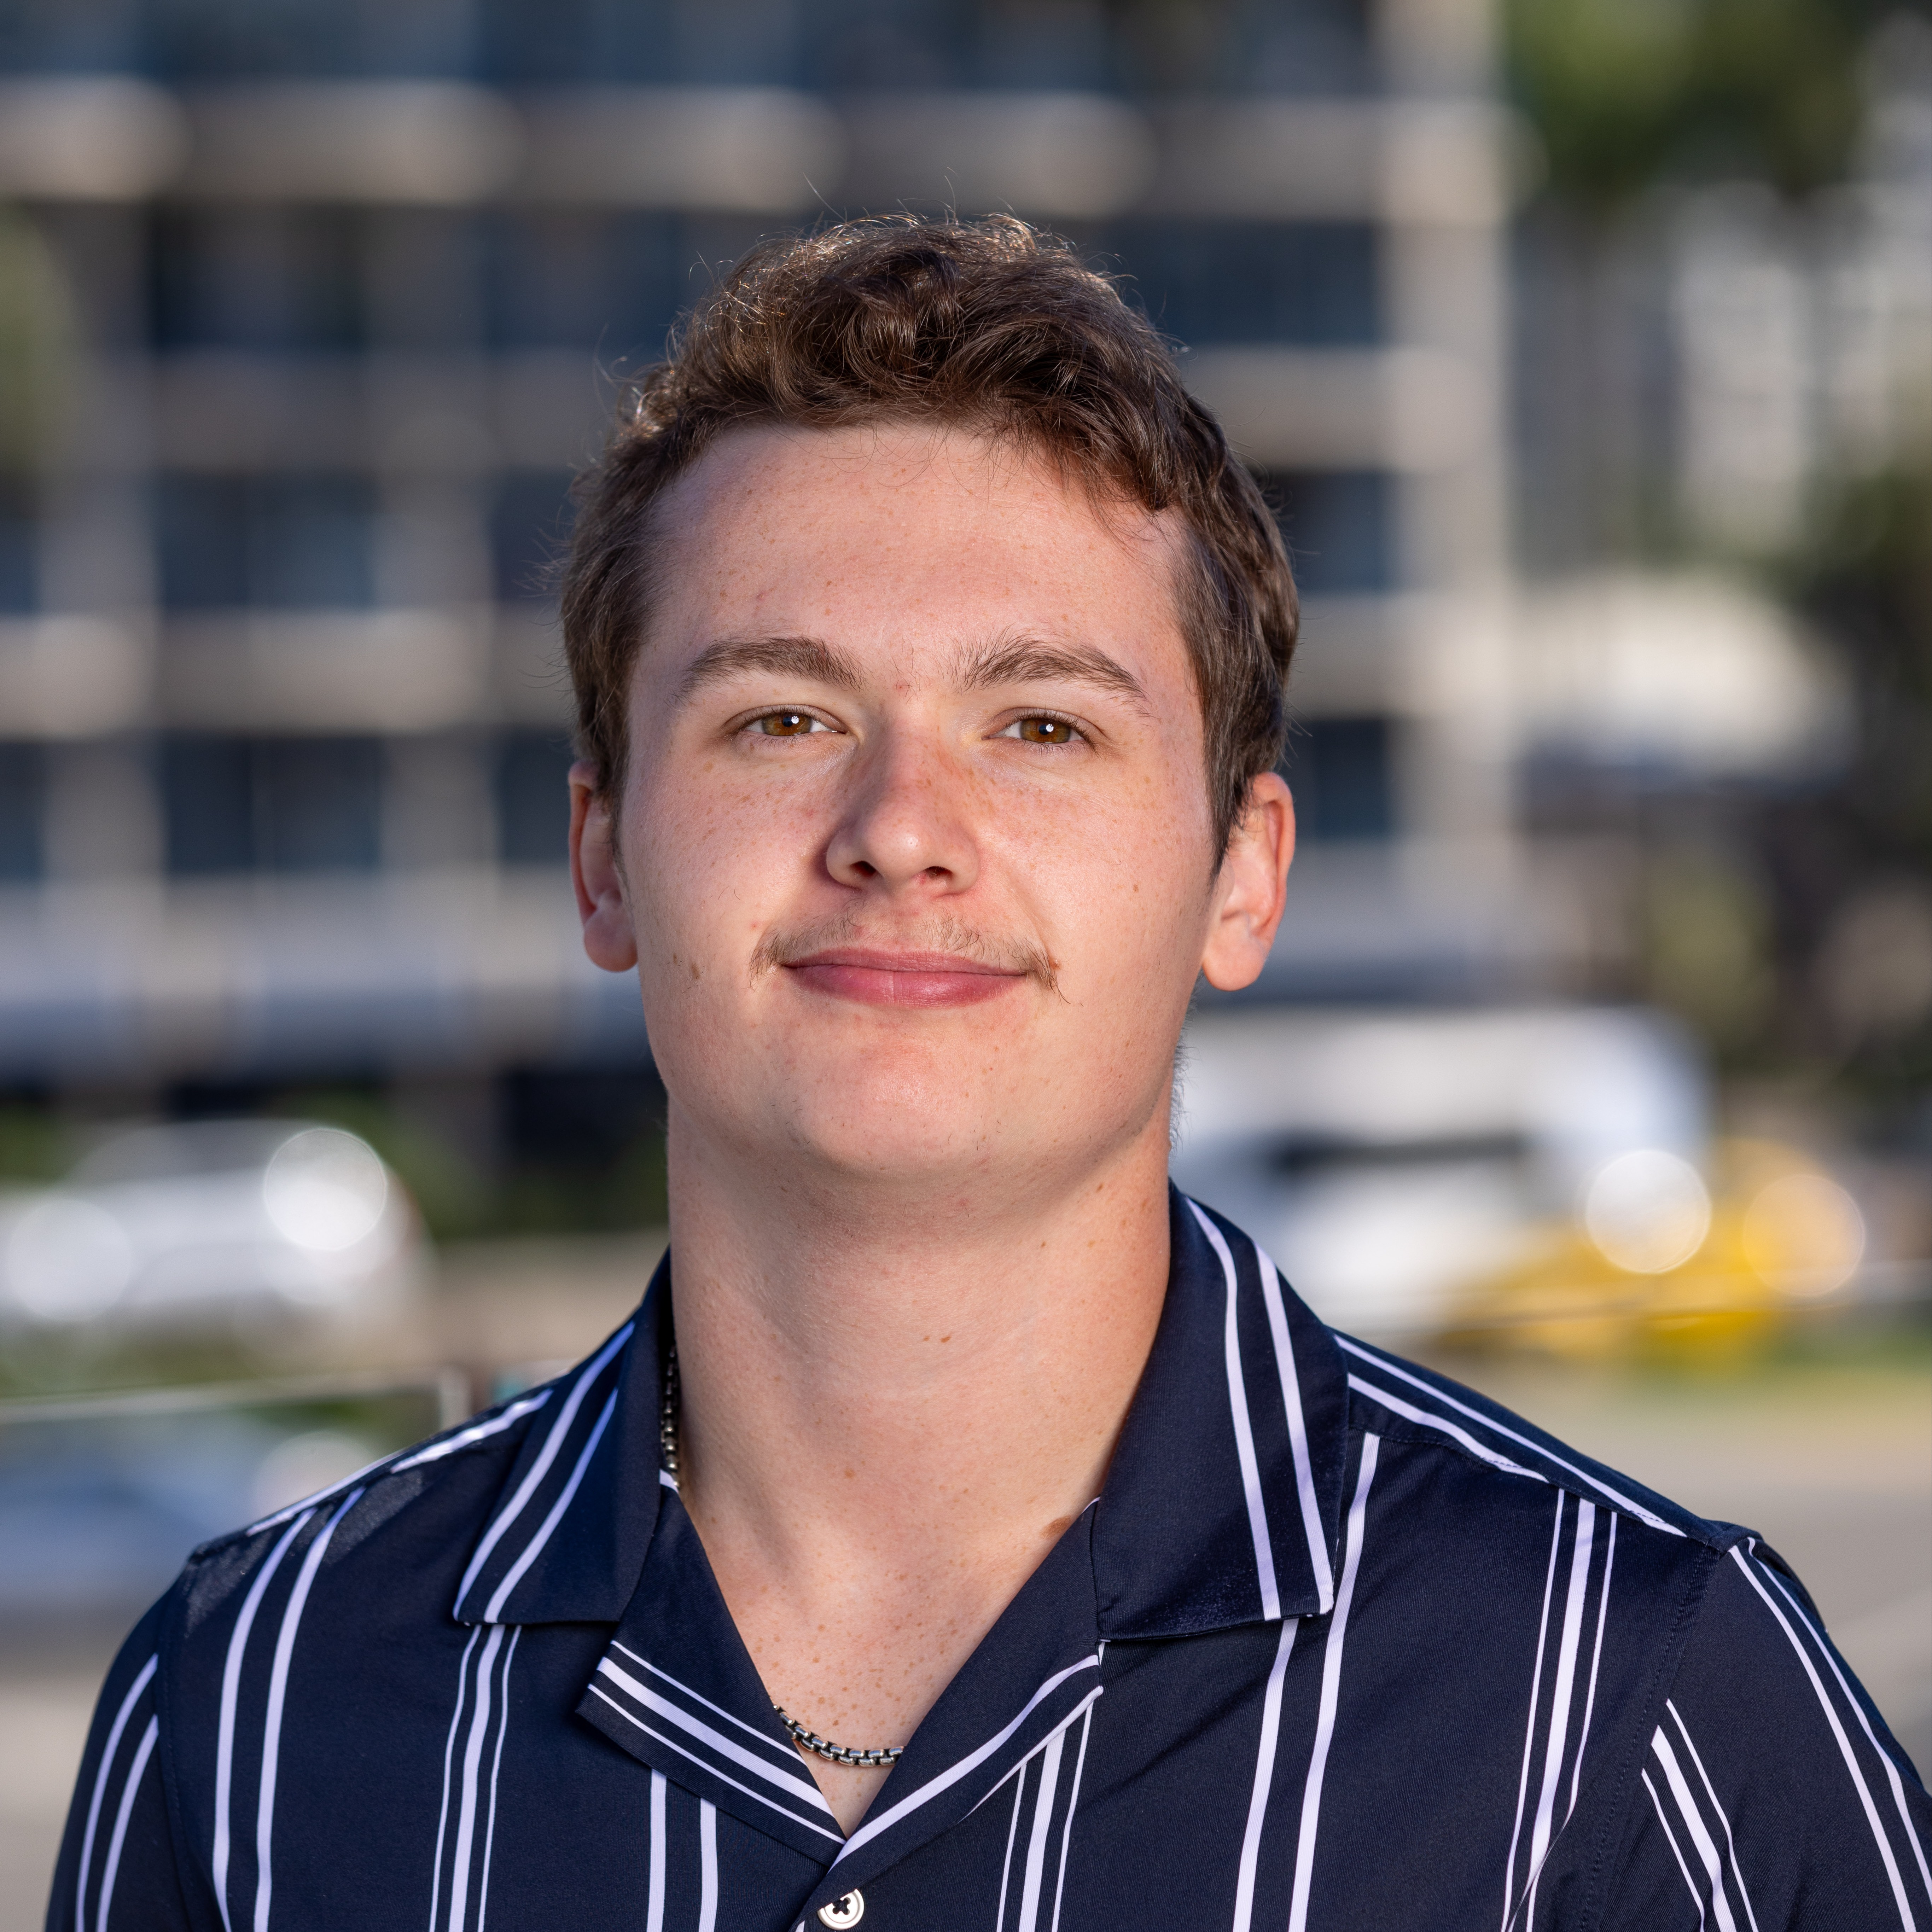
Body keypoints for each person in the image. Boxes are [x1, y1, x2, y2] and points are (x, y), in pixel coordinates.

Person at [52, 217, 1927, 1932]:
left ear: (1242, 871)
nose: (900, 828)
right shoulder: (254, 1707)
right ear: (603, 855)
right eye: (781, 716)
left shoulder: (1627, 1699)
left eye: (1037, 723)